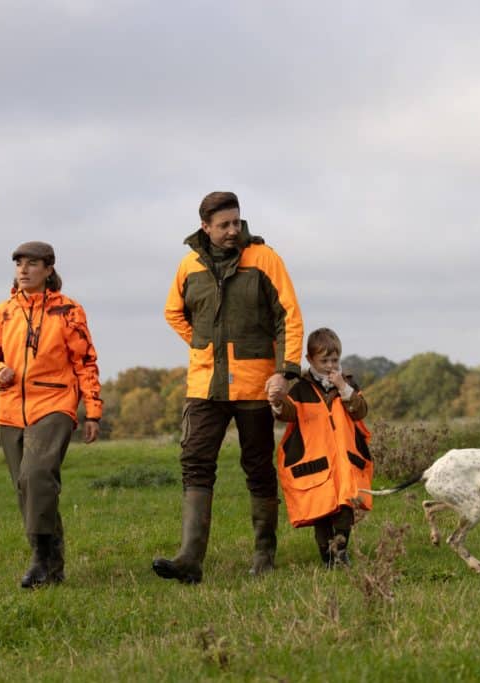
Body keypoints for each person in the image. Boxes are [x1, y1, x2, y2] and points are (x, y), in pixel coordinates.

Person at [154, 191, 303, 584]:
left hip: (256, 385)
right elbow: (174, 312)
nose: (233, 230)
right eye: (225, 225)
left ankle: (264, 554)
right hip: (205, 386)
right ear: (206, 226)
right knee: (195, 463)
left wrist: (285, 372)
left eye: (237, 222)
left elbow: (288, 316)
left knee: (257, 468)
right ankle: (189, 559)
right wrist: (203, 346)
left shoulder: (265, 259)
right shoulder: (189, 265)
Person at [0, 241, 103, 588]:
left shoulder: (68, 311)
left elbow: (85, 363)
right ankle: (53, 566)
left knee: (36, 475)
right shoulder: (2, 312)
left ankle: (38, 559)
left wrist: (93, 411)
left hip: (54, 404)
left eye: (32, 264)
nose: (23, 270)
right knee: (28, 487)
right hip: (10, 409)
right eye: (19, 263)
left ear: (48, 269)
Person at [267, 327, 373, 568]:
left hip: (345, 462)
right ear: (310, 360)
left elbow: (360, 411)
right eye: (323, 360)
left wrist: (344, 389)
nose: (330, 365)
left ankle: (341, 551)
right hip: (315, 464)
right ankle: (327, 555)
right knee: (322, 512)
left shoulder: (348, 384)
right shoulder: (300, 388)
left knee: (346, 507)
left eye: (334, 360)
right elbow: (289, 413)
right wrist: (277, 403)